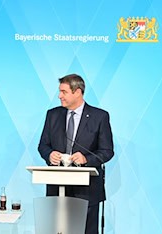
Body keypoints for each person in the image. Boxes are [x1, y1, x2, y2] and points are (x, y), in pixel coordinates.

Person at [38, 74, 114, 234]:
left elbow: (107, 151)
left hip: (87, 190)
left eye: (64, 92)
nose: (59, 96)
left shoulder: (99, 117)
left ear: (77, 92)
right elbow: (43, 145)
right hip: (57, 187)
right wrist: (49, 154)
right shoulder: (52, 115)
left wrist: (87, 159)